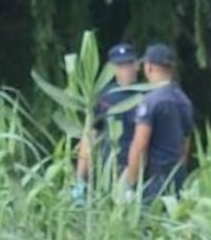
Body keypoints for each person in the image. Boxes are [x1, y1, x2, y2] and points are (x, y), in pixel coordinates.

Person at [125, 43, 194, 205]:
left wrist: (131, 184)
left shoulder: (151, 101)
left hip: (155, 180)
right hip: (178, 176)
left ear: (149, 67)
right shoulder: (184, 101)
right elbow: (185, 144)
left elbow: (140, 145)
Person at [73, 42, 140, 201]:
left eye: (129, 63)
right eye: (121, 65)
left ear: (137, 65)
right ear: (112, 68)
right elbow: (90, 135)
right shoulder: (103, 96)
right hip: (107, 169)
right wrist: (80, 179)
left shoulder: (146, 95)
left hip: (137, 169)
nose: (126, 69)